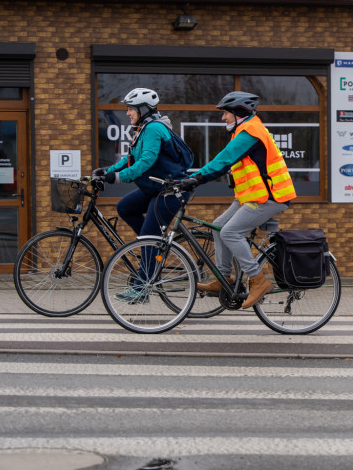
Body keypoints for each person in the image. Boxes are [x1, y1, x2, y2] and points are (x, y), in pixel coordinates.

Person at [180, 91, 297, 309]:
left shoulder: (251, 131)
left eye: (226, 113)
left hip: (270, 197)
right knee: (218, 227)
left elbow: (223, 160)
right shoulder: (243, 131)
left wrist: (195, 179)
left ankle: (259, 280)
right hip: (252, 196)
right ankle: (224, 278)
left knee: (230, 232)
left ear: (238, 112)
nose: (223, 118)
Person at [94, 87, 191, 302]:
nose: (128, 113)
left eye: (131, 109)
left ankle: (142, 289)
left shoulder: (154, 129)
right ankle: (153, 246)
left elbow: (147, 161)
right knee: (125, 208)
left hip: (170, 190)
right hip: (155, 188)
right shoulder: (143, 128)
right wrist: (107, 171)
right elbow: (130, 159)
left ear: (144, 109)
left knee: (148, 236)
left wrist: (119, 178)